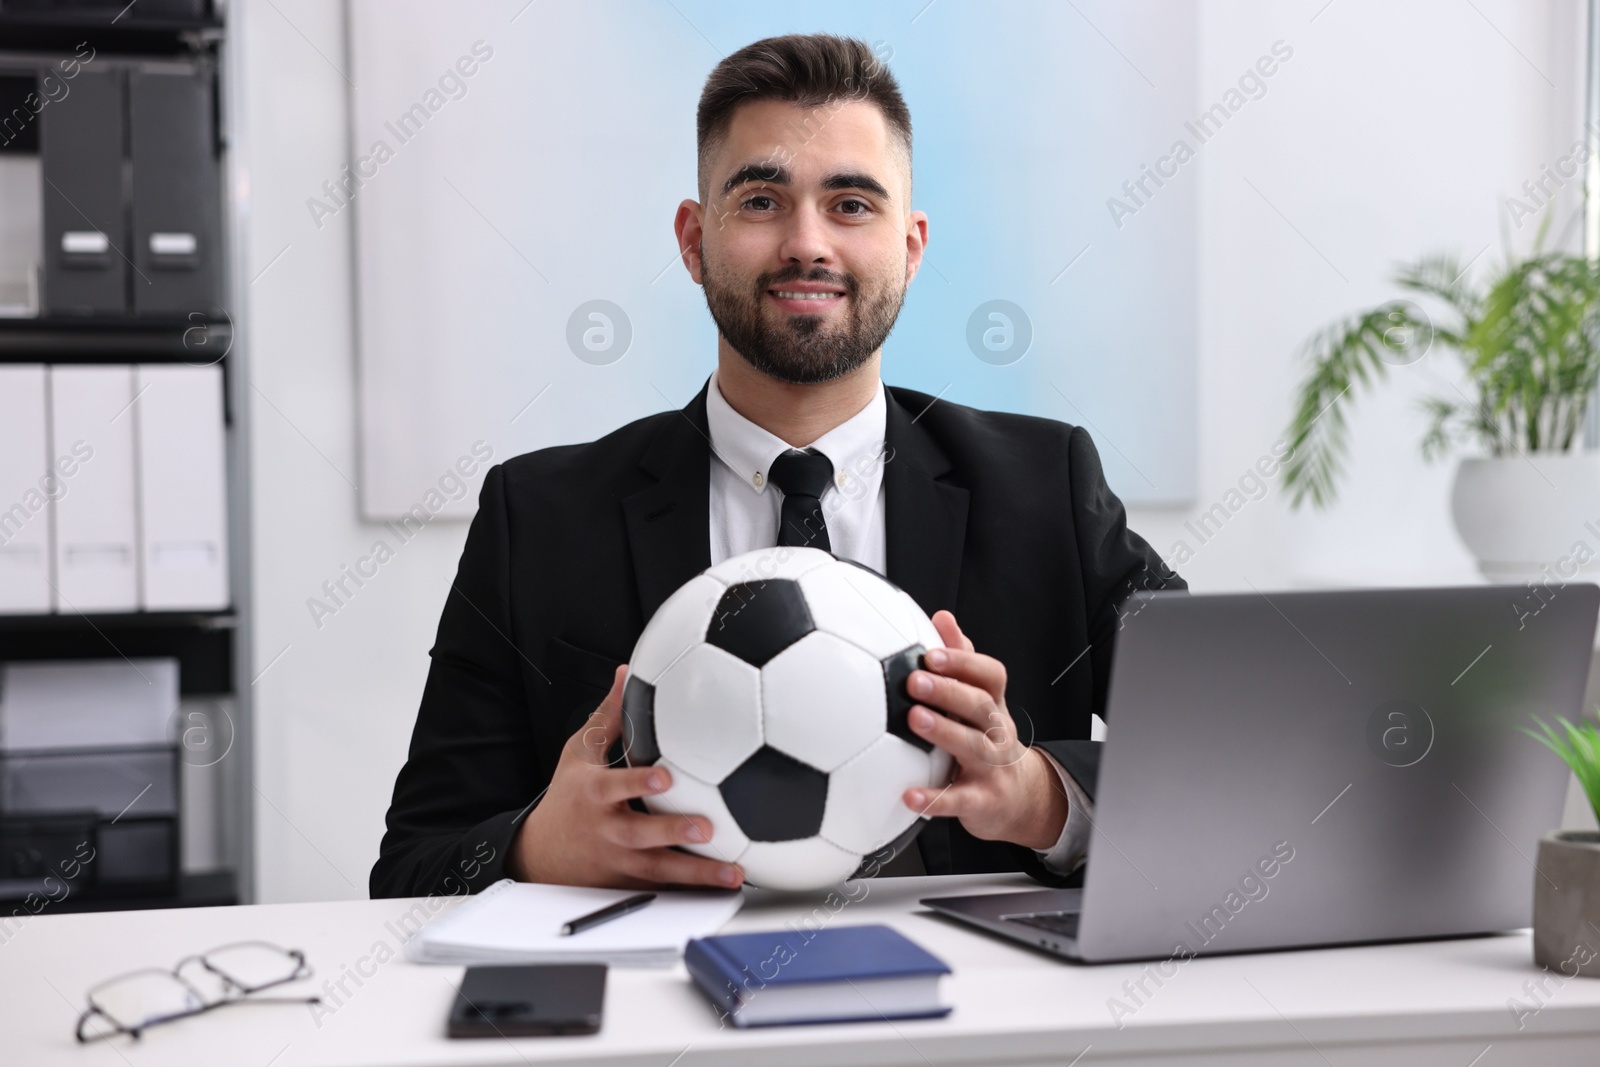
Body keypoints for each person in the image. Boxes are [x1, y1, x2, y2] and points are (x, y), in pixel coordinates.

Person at [370, 33, 1184, 899]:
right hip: (662, 1017)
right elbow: (414, 867)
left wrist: (1044, 799)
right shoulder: (536, 517)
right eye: (761, 200)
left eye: (851, 205)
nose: (807, 243)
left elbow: (1239, 746)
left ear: (910, 247)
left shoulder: (1045, 483)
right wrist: (536, 848)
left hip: (979, 1021)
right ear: (693, 240)